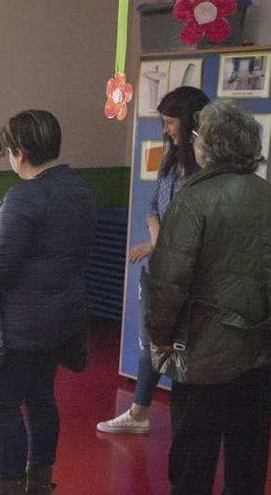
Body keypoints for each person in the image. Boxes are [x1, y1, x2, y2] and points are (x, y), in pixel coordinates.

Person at [0, 110, 96, 494]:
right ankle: (39, 483)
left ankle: (9, 487)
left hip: (20, 323)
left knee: (2, 403)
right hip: (63, 316)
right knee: (41, 397)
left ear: (19, 152)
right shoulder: (78, 189)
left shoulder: (23, 196)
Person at [146, 101, 271, 495]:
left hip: (202, 351)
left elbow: (169, 280)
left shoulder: (193, 199)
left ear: (210, 145)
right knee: (248, 456)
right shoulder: (265, 193)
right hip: (259, 350)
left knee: (192, 459)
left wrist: (159, 334)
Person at [97, 86, 210, 435]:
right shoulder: (171, 159)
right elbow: (152, 207)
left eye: (171, 121)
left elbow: (194, 228)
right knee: (151, 343)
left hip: (188, 278)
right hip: (158, 273)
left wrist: (157, 246)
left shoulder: (206, 172)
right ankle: (139, 412)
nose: (166, 129)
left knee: (186, 350)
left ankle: (188, 423)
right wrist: (156, 241)